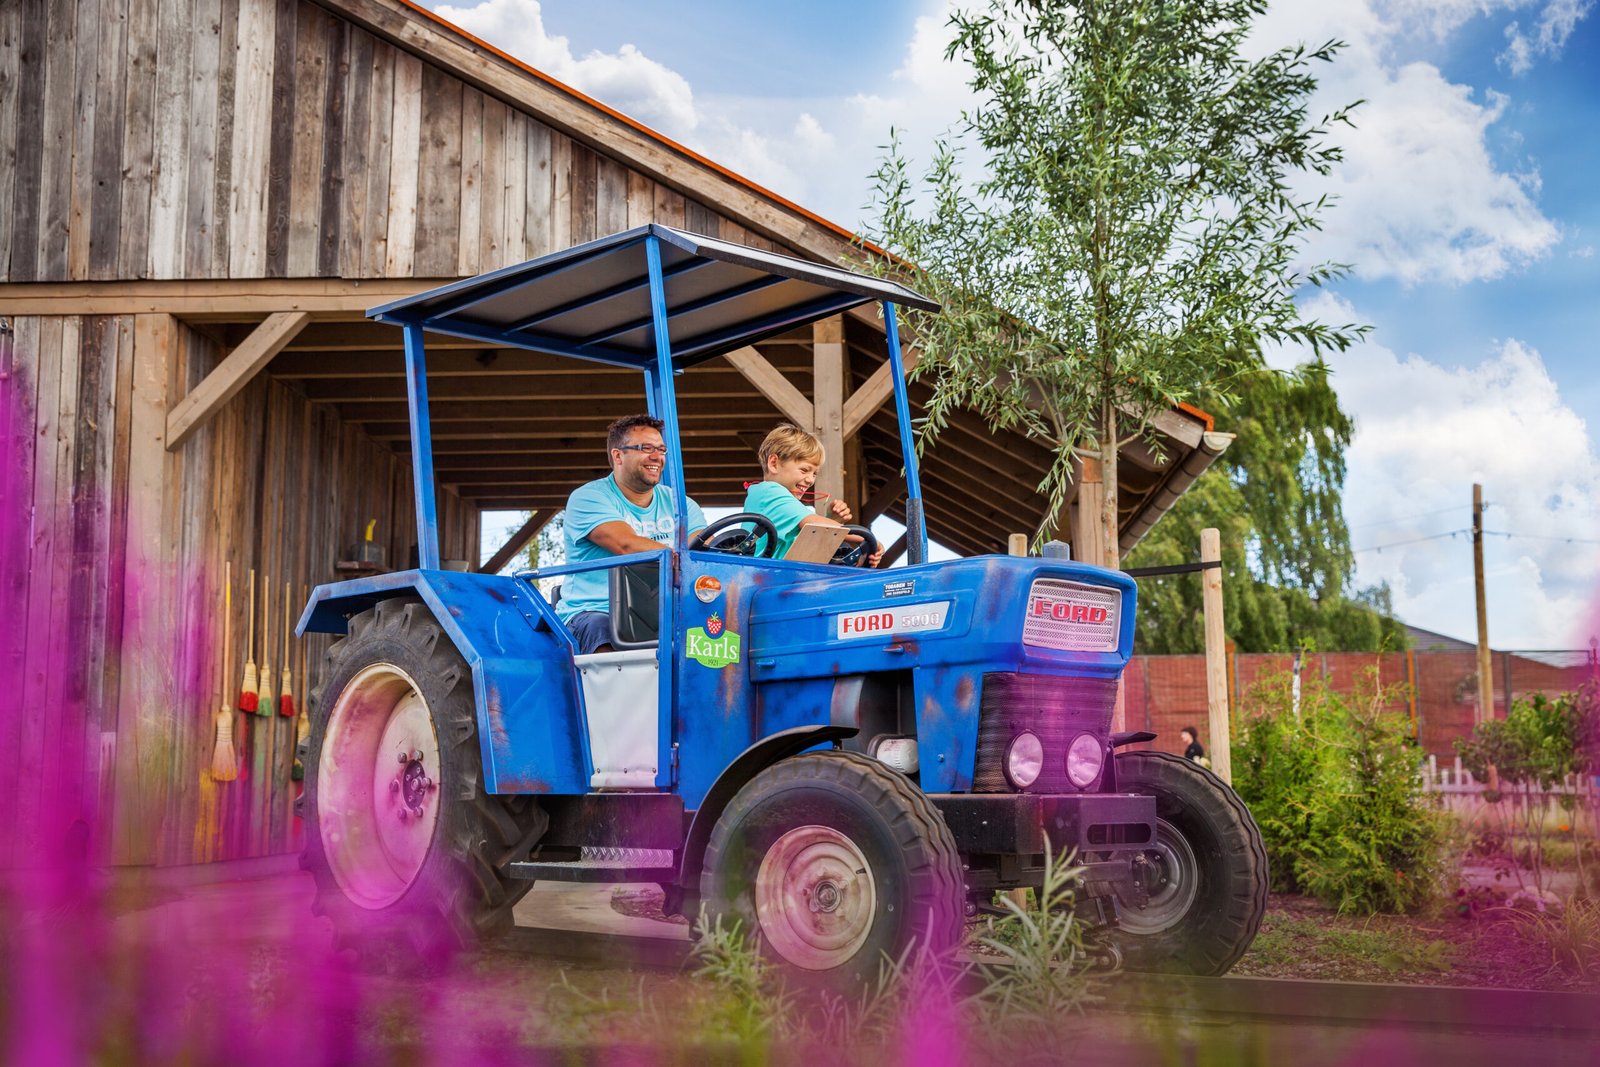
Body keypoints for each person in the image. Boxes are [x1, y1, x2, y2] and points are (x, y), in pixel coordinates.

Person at [557, 415, 705, 655]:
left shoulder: (681, 504)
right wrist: (682, 558)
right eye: (645, 448)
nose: (657, 457)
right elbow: (626, 545)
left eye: (661, 449)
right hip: (599, 610)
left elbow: (701, 550)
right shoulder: (589, 497)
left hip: (666, 613)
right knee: (604, 629)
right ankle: (611, 692)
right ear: (618, 456)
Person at [741, 424, 882, 566]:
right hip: (764, 580)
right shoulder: (769, 492)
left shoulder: (770, 499)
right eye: (804, 470)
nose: (810, 480)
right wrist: (866, 539)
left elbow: (811, 545)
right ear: (774, 463)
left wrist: (833, 520)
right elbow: (813, 523)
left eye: (814, 473)